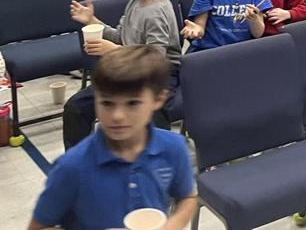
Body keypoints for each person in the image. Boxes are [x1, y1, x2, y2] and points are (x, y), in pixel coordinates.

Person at [30, 46, 196, 230]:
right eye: (107, 103)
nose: (117, 116)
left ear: (159, 99)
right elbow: (37, 227)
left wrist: (171, 225)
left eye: (132, 103)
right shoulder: (72, 167)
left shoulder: (173, 148)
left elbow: (187, 197)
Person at [63, 0, 181, 148]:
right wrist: (91, 20)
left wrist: (113, 51)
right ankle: (83, 163)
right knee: (76, 108)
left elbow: (156, 59)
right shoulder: (136, 0)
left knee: (148, 120)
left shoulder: (156, 13)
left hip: (158, 76)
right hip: (130, 68)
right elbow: (121, 36)